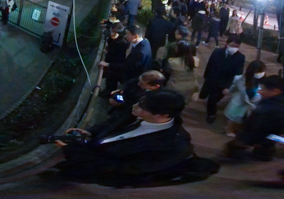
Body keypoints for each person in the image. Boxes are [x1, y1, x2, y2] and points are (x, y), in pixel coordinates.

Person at [51, 89, 194, 185]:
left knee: (66, 177)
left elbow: (124, 168)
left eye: (141, 107)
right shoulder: (137, 112)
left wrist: (76, 152)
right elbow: (112, 122)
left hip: (98, 171)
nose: (134, 106)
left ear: (162, 115)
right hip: (89, 153)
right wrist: (91, 132)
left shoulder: (175, 146)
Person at [225, 75, 284, 161]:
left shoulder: (273, 109)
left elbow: (260, 129)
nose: (259, 91)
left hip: (261, 142)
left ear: (275, 91)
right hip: (265, 141)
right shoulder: (282, 101)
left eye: (262, 89)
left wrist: (244, 140)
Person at [96, 70, 167, 137]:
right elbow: (128, 85)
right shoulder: (139, 82)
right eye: (139, 81)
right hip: (122, 110)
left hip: (130, 117)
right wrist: (121, 91)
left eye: (141, 84)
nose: (138, 84)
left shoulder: (157, 99)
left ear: (155, 86)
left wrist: (122, 104)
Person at [200, 36, 246, 124]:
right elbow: (210, 65)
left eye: (236, 46)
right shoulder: (217, 52)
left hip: (225, 83)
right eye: (232, 45)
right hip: (213, 79)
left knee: (216, 98)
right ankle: (211, 114)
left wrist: (229, 87)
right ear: (227, 44)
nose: (234, 48)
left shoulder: (240, 57)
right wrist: (206, 77)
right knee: (211, 99)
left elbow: (238, 74)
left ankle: (212, 109)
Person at [223, 60, 266, 137]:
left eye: (261, 71)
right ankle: (229, 130)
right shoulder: (239, 79)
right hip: (239, 103)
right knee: (233, 119)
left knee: (245, 119)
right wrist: (228, 91)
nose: (260, 74)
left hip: (253, 104)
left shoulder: (264, 82)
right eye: (258, 72)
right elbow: (233, 88)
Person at [99, 22, 128, 95]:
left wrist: (108, 64)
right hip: (111, 63)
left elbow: (119, 61)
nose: (111, 33)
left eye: (113, 32)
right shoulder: (114, 40)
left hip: (114, 67)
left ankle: (109, 92)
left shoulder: (122, 44)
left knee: (111, 81)